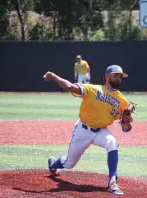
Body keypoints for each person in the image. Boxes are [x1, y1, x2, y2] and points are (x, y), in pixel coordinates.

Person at [43, 65, 134, 195]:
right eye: (116, 75)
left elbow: (126, 129)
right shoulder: (92, 89)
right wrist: (53, 76)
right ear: (107, 77)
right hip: (83, 130)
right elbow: (69, 86)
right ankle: (53, 164)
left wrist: (126, 123)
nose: (119, 78)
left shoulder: (122, 101)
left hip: (101, 131)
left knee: (112, 142)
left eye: (120, 76)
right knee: (69, 163)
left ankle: (112, 182)